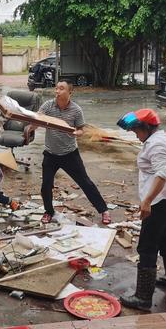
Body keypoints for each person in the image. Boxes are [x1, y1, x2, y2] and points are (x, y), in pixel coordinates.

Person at [117, 108, 166, 311]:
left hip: (161, 202)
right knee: (165, 238)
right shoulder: (159, 139)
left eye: (136, 130)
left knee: (146, 247)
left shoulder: (157, 144)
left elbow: (162, 174)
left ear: (146, 127)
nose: (135, 135)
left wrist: (147, 202)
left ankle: (143, 298)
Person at [36, 80, 110, 225]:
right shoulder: (48, 106)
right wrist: (29, 129)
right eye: (56, 88)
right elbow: (37, 120)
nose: (57, 91)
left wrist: (78, 133)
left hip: (70, 154)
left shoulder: (76, 110)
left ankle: (104, 210)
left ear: (70, 92)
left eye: (61, 89)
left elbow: (82, 128)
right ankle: (49, 211)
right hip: (50, 154)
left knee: (85, 183)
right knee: (46, 185)